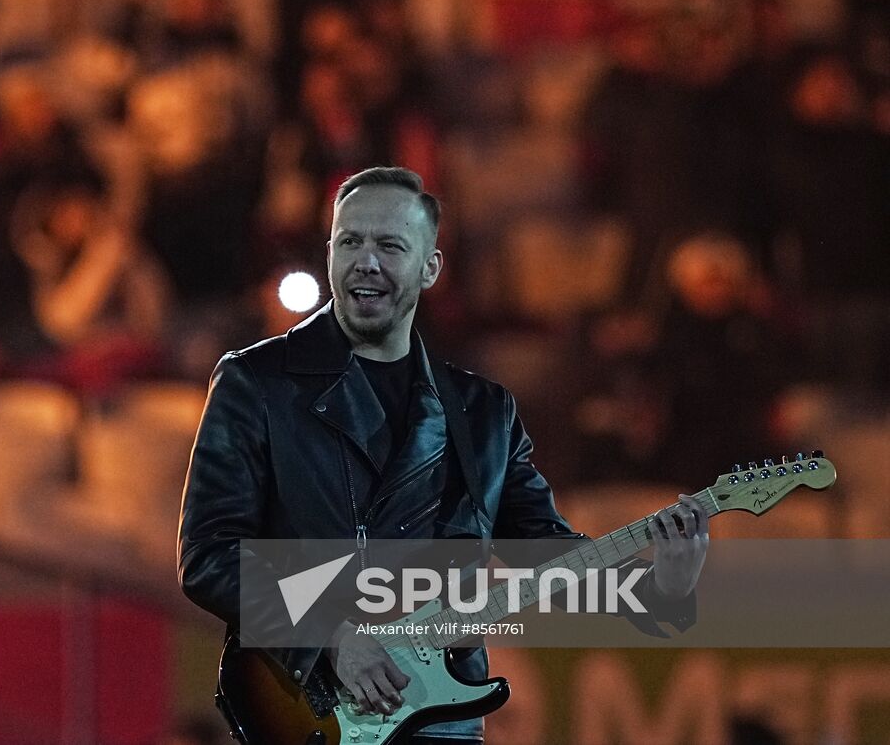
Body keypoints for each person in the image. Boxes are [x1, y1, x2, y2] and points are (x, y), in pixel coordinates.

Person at [178, 166, 709, 743]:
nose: (367, 261)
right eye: (350, 241)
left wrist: (660, 589)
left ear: (430, 267)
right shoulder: (255, 382)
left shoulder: (483, 413)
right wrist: (329, 635)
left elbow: (547, 554)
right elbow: (208, 555)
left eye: (390, 245)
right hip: (310, 712)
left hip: (440, 721)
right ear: (329, 252)